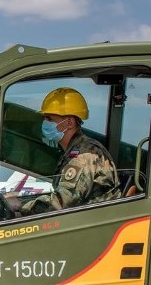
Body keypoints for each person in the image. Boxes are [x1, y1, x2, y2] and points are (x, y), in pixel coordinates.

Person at [21, 87, 118, 215]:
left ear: (69, 123)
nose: (45, 123)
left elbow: (61, 204)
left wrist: (21, 206)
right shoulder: (74, 151)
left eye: (49, 119)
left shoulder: (84, 155)